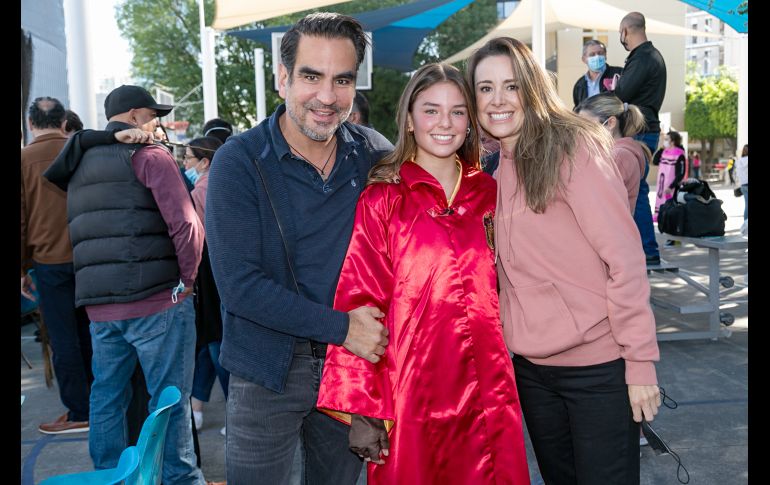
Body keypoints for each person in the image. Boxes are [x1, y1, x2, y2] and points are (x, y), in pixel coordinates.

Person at [316, 63, 530, 485]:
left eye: (457, 112)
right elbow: (360, 302)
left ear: (471, 122)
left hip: (490, 390)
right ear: (410, 120)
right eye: (431, 110)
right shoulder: (383, 198)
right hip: (411, 393)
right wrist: (362, 405)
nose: (444, 124)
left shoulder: (494, 195)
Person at [204, 13, 394, 483]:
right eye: (312, 76)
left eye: (342, 80)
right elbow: (240, 287)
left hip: (349, 371)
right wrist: (342, 327)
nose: (327, 97)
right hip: (265, 367)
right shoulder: (240, 161)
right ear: (283, 77)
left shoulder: (373, 155)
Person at [467, 37, 661, 485]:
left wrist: (640, 363)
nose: (497, 100)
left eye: (511, 86)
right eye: (485, 88)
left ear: (532, 87)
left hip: (597, 370)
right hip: (533, 372)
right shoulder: (498, 166)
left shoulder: (574, 148)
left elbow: (625, 258)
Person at [43, 85, 206, 485]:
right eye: (152, 115)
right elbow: (186, 224)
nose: (156, 123)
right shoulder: (149, 155)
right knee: (168, 401)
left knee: (107, 397)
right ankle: (179, 478)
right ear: (134, 115)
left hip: (100, 305)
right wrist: (187, 279)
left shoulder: (78, 163)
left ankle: (110, 476)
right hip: (156, 300)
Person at [21, 96, 93, 435]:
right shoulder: (81, 149)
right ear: (64, 121)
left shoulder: (23, 159)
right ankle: (101, 404)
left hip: (49, 261)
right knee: (93, 333)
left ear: (31, 123)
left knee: (63, 339)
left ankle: (80, 410)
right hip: (90, 256)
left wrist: (22, 268)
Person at [182, 136, 231, 437]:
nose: (185, 163)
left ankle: (232, 409)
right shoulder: (224, 181)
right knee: (210, 344)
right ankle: (197, 407)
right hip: (220, 267)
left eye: (189, 157)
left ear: (204, 161)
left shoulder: (202, 188)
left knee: (214, 343)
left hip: (208, 270)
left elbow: (197, 236)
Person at [612, 11, 666, 265]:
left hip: (639, 130)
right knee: (635, 188)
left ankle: (647, 251)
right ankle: (645, 250)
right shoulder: (651, 56)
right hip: (646, 129)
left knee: (635, 189)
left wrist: (615, 87)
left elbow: (622, 92)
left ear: (625, 31)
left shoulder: (643, 58)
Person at [575, 92, 651, 214]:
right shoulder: (611, 152)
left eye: (588, 125)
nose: (583, 132)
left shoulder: (620, 156)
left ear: (611, 123)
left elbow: (597, 203)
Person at [572, 40, 623, 108]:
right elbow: (577, 109)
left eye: (600, 53)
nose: (597, 57)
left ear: (605, 55)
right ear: (584, 59)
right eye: (592, 54)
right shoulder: (579, 85)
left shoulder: (619, 74)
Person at [651, 130, 686, 224]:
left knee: (670, 208)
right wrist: (661, 149)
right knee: (660, 203)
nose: (664, 141)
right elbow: (654, 161)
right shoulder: (664, 152)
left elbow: (681, 173)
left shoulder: (679, 154)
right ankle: (659, 216)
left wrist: (671, 187)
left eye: (667, 139)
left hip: (671, 187)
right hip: (661, 186)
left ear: (673, 141)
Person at [736, 144, 748, 220]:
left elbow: (737, 174)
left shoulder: (739, 161)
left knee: (746, 205)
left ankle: (745, 224)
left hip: (743, 185)